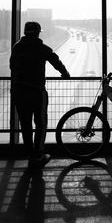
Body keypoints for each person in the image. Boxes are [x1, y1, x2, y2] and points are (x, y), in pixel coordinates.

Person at [10, 21, 70, 169]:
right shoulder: (41, 47)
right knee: (40, 123)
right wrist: (65, 73)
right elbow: (56, 61)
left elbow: (12, 66)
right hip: (37, 91)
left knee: (25, 125)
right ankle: (39, 154)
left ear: (24, 32)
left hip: (19, 91)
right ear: (37, 33)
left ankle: (30, 155)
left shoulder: (17, 47)